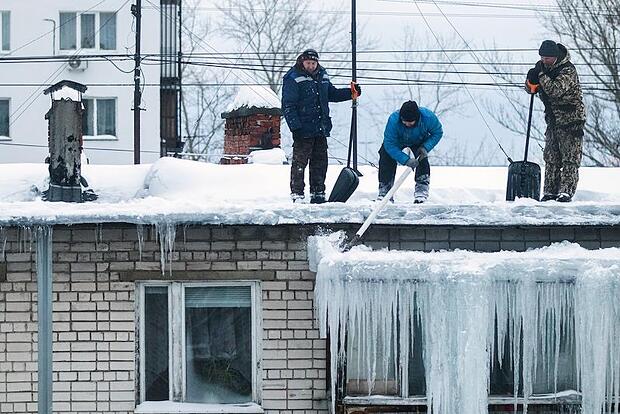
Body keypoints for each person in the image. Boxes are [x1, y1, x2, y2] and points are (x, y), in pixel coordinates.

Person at [282, 48, 360, 203]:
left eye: (313, 63)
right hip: (303, 128)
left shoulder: (323, 76)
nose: (311, 66)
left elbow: (332, 94)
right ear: (302, 62)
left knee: (320, 162)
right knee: (300, 163)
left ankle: (318, 192)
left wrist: (350, 93)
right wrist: (295, 127)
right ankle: (297, 193)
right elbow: (288, 105)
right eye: (308, 63)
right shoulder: (293, 77)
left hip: (320, 127)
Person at [525, 40, 586, 202]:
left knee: (570, 157)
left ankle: (566, 191)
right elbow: (532, 89)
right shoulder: (542, 68)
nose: (544, 61)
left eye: (547, 58)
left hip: (571, 120)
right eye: (542, 57)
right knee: (551, 157)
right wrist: (530, 80)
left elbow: (554, 90)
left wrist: (540, 75)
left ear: (555, 57)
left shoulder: (568, 70)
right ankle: (550, 191)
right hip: (553, 120)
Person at [378, 100, 443, 203]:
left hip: (419, 140)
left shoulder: (428, 118)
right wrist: (406, 160)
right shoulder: (393, 120)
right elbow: (389, 144)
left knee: (422, 159)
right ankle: (384, 190)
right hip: (398, 141)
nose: (407, 124)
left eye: (410, 122)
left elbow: (438, 133)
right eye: (404, 121)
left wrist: (426, 147)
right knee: (385, 155)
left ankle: (421, 191)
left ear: (417, 119)